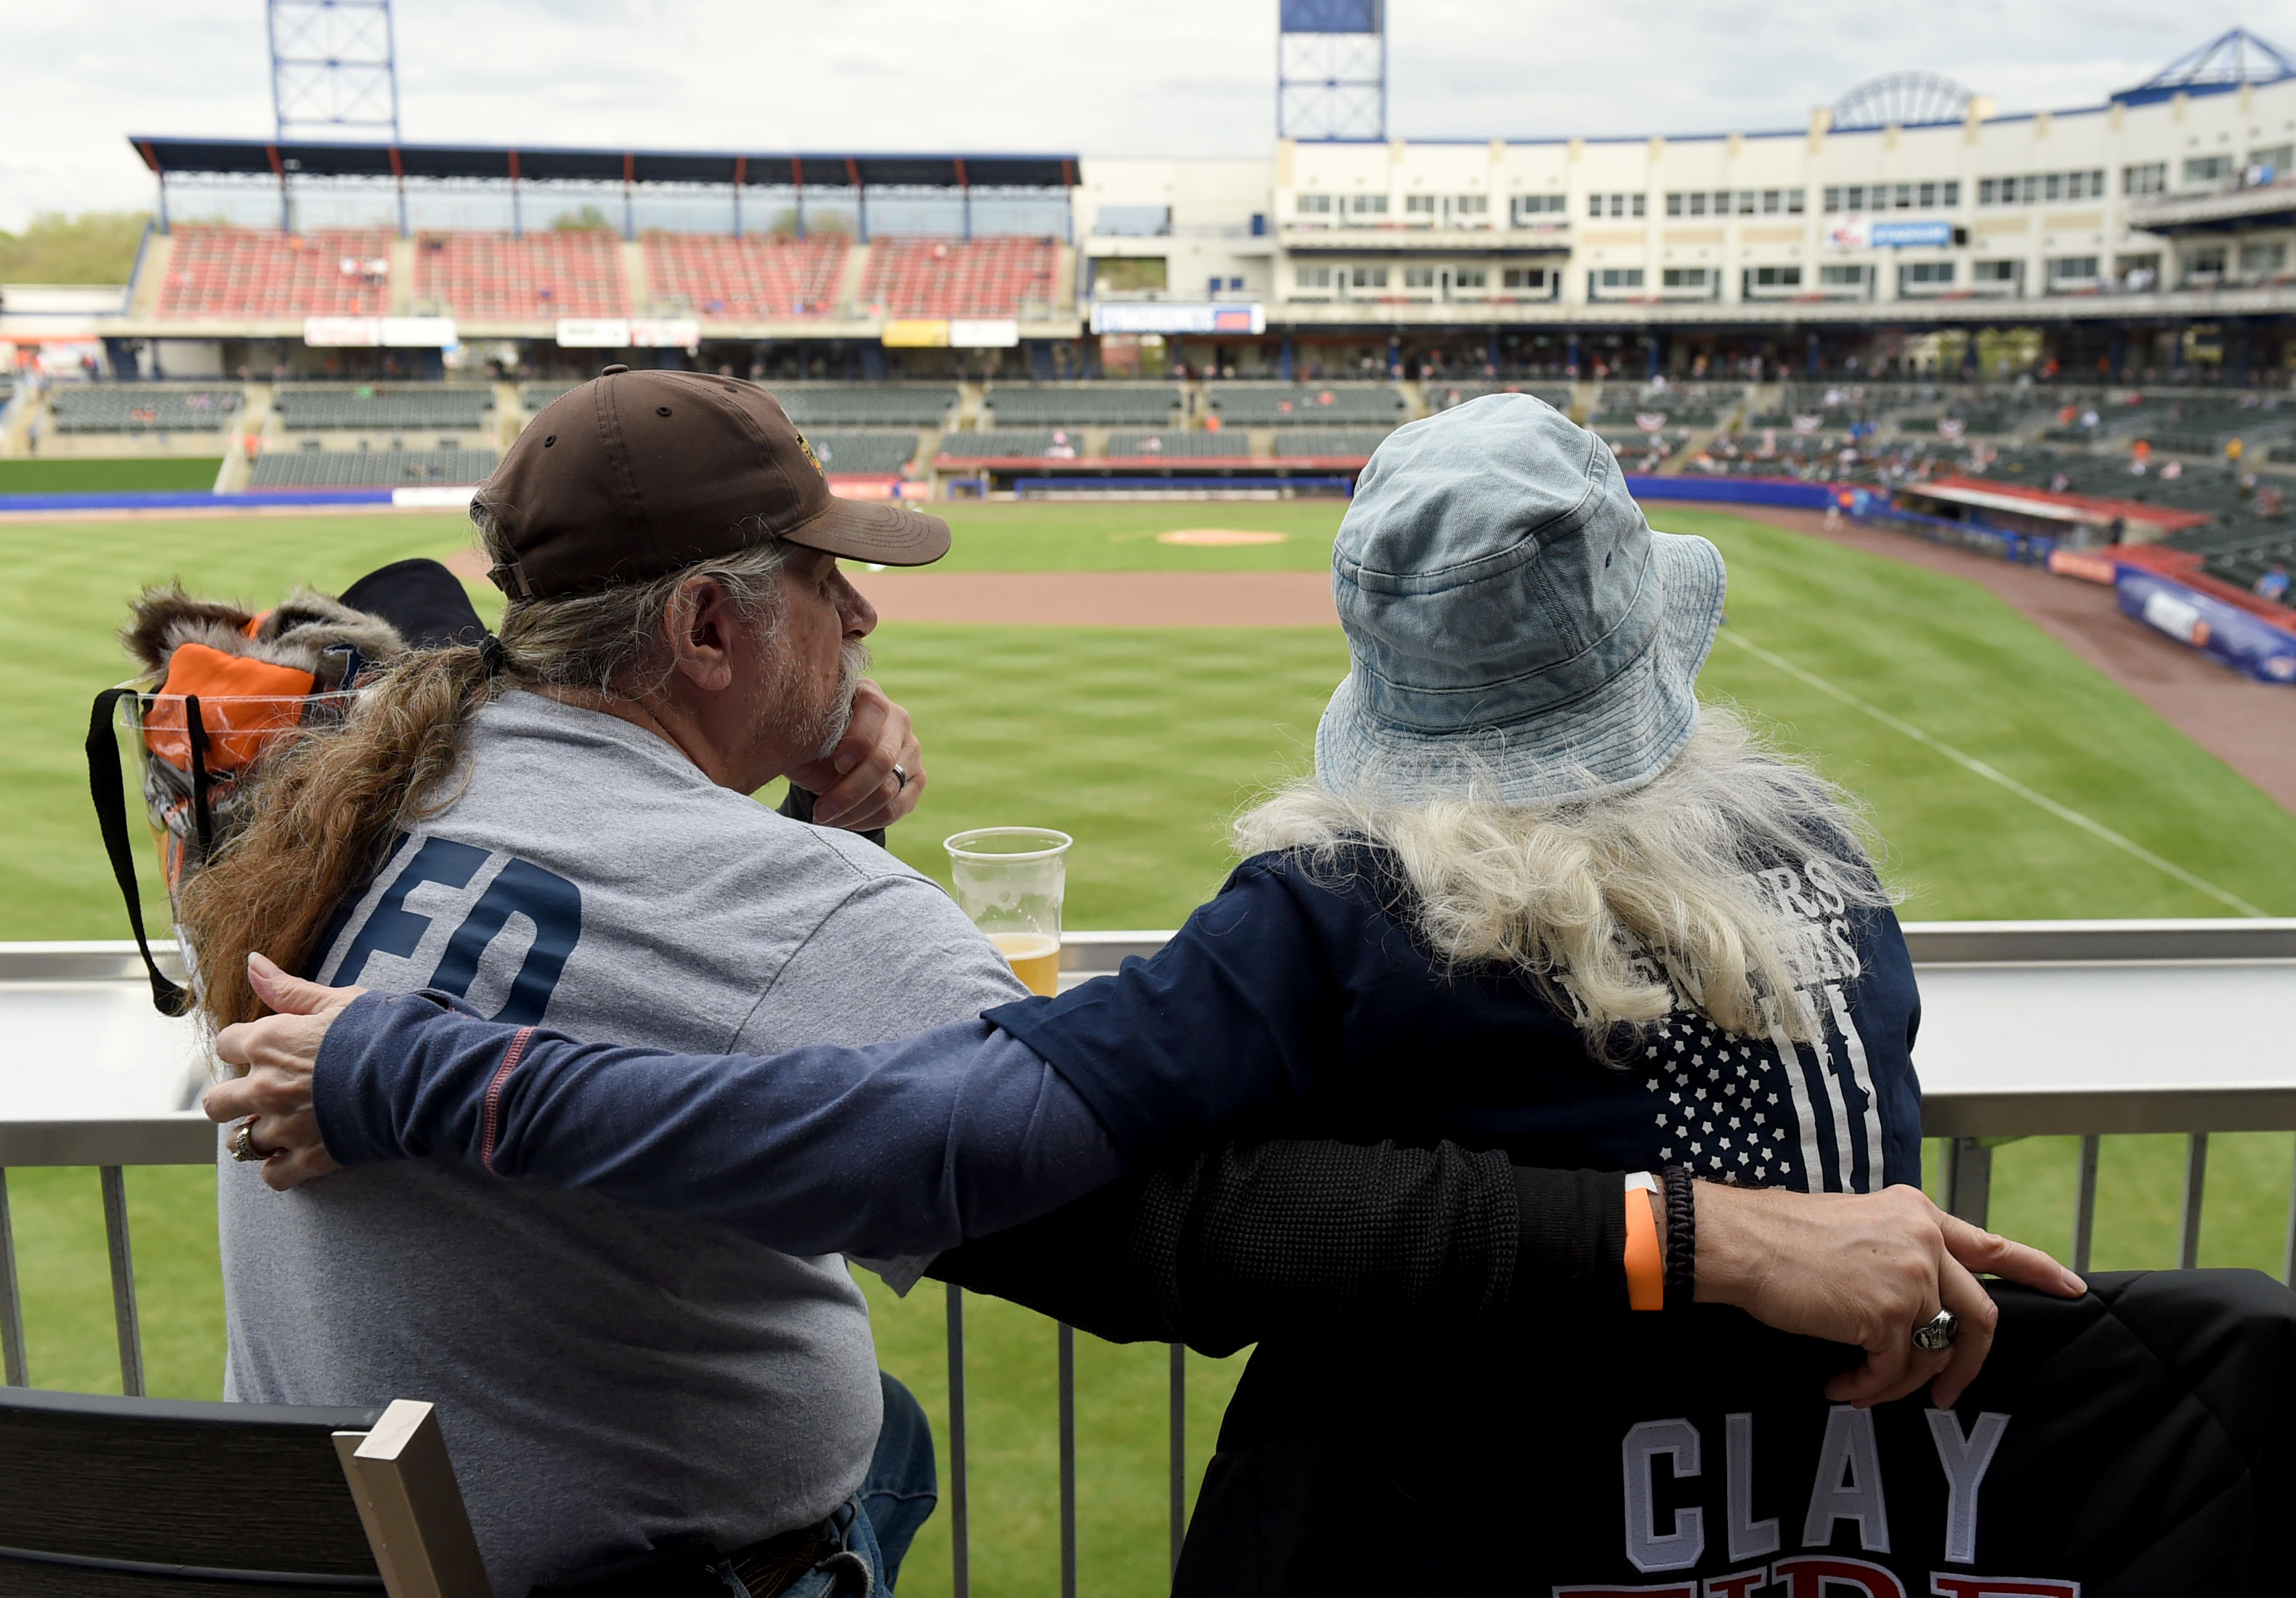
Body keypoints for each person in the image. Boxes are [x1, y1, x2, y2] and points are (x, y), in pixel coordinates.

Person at [208, 395, 2084, 1588]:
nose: (868, 617)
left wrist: (421, 1064)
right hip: (1829, 1536)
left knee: (893, 1428)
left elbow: (1004, 1140)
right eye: (825, 586)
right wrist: (1704, 1237)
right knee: (882, 1437)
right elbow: (1079, 1191)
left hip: (325, 1543)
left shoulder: (404, 772)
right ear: (709, 629)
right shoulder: (1829, 874)